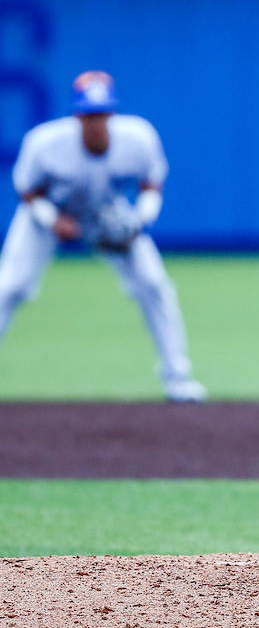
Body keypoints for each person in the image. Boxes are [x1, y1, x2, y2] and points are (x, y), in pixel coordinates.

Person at [0, 71, 207, 403]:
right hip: (49, 213)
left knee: (154, 285)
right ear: (76, 116)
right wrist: (53, 220)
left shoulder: (137, 137)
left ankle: (177, 378)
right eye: (88, 115)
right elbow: (26, 189)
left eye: (102, 114)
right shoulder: (45, 143)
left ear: (112, 114)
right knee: (9, 287)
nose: (96, 122)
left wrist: (140, 220)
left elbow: (152, 183)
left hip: (107, 213)